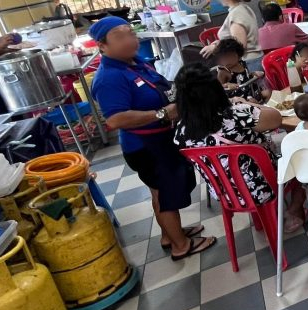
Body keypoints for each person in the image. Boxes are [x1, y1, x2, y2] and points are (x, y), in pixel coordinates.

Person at [89, 16, 215, 260]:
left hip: (161, 139)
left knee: (160, 192)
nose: (130, 39)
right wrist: (161, 113)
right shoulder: (109, 77)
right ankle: (180, 245)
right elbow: (115, 119)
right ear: (102, 46)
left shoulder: (134, 63)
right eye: (120, 36)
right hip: (145, 146)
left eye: (130, 33)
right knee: (165, 193)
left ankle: (170, 235)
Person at [173, 63, 308, 233]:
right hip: (262, 186)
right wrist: (246, 103)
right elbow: (276, 119)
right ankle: (296, 207)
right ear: (215, 90)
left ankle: (264, 218)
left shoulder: (180, 132)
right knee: (296, 154)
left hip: (226, 193)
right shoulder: (235, 114)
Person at [200, 0, 264, 71]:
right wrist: (217, 43)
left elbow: (239, 46)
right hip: (253, 60)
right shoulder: (243, 8)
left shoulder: (237, 14)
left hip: (248, 63)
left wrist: (215, 48)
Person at [214, 38, 269, 104]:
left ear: (239, 56)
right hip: (239, 97)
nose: (227, 61)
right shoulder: (223, 71)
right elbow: (218, 87)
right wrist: (227, 85)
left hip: (251, 90)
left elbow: (245, 75)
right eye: (224, 58)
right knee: (253, 102)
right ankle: (260, 111)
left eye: (230, 57)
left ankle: (268, 109)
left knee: (269, 92)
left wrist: (253, 74)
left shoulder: (242, 63)